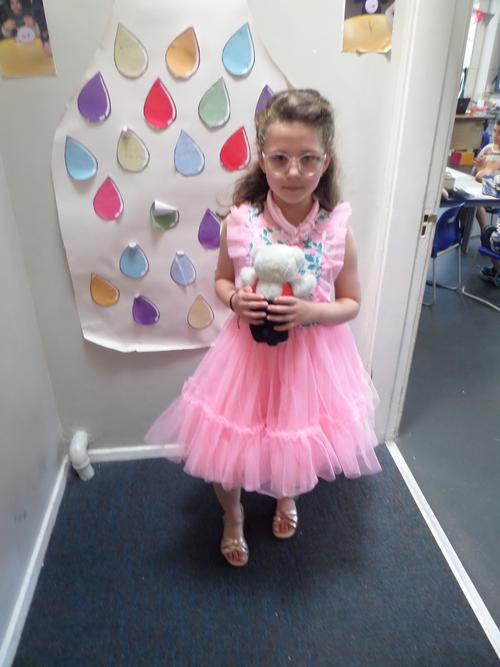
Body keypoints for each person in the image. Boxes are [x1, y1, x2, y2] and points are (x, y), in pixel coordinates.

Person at [145, 89, 380, 567]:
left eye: (308, 158)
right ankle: (232, 516)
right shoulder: (240, 222)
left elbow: (352, 302)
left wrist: (312, 311)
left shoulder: (337, 229)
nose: (293, 172)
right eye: (280, 158)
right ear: (262, 158)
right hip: (246, 360)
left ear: (326, 160)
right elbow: (221, 280)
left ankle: (286, 495)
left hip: (310, 363)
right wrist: (236, 299)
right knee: (228, 445)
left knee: (294, 437)